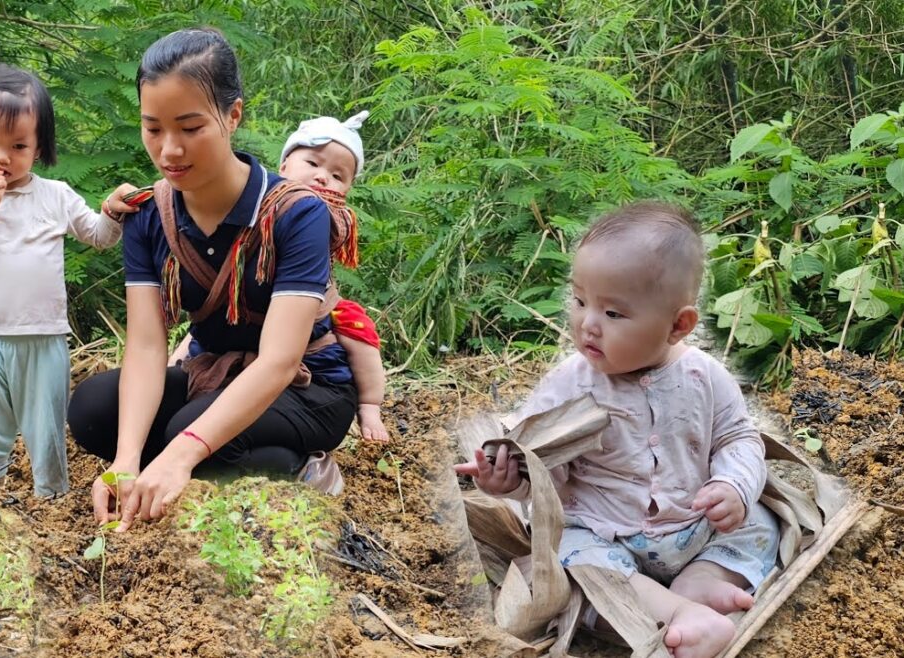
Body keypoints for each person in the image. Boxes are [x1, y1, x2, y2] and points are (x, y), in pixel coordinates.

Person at [454, 202, 778, 658]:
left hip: (692, 526)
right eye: (581, 301)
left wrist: (733, 485)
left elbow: (737, 438)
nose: (588, 324)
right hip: (605, 535)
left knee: (761, 522)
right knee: (568, 555)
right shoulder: (569, 385)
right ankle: (678, 611)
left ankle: (700, 582)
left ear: (678, 325)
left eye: (614, 314)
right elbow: (542, 464)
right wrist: (510, 479)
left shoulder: (706, 377)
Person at [66, 28, 359, 530]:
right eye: (153, 128)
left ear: (232, 115)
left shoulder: (294, 212)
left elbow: (280, 361)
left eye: (190, 127)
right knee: (94, 411)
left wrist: (181, 452)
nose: (169, 150)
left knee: (188, 437)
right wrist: (127, 462)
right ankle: (196, 457)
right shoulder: (148, 215)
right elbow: (144, 347)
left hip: (307, 387)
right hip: (214, 373)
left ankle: (305, 469)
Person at [140, 110, 389, 442]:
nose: (322, 178)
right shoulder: (257, 211)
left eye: (337, 175)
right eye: (313, 164)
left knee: (357, 333)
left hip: (304, 349)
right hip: (232, 336)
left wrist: (369, 403)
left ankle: (369, 405)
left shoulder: (325, 219)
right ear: (283, 167)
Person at [0, 64, 122, 497]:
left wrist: (114, 210)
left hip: (44, 339)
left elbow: (98, 235)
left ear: (40, 147)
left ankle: (52, 505)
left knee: (45, 435)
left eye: (18, 145)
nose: (1, 156)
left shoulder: (56, 195)